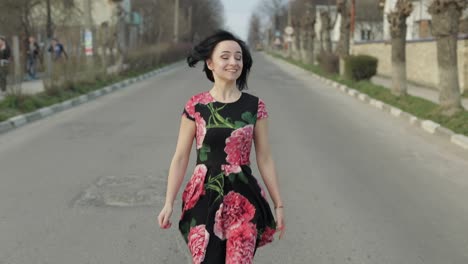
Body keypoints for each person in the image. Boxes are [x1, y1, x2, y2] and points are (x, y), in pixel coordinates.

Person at [158, 30, 285, 264]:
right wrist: (169, 202)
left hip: (243, 198)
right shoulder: (195, 106)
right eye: (225, 56)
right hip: (204, 198)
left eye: (238, 57)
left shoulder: (255, 106)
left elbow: (265, 158)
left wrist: (278, 204)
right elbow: (180, 157)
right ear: (210, 63)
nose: (233, 62)